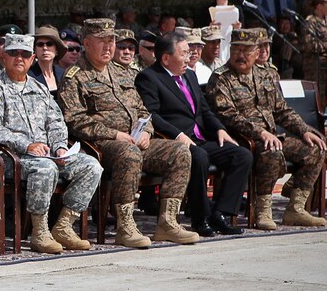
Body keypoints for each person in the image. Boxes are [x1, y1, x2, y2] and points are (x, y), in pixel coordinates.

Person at [58, 19, 199, 248]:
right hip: (102, 144)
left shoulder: (122, 72)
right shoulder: (75, 76)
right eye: (101, 42)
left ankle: (167, 223)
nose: (108, 47)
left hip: (136, 138)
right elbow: (73, 120)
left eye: (111, 41)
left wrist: (145, 131)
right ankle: (125, 225)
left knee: (180, 152)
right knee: (129, 153)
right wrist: (114, 134)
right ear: (85, 43)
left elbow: (143, 109)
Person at [0, 34, 102, 254]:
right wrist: (27, 145)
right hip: (6, 158)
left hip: (46, 153)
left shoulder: (40, 89)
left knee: (91, 166)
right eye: (13, 53)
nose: (19, 58)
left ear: (33, 58)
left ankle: (63, 225)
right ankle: (39, 231)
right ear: (3, 57)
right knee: (45, 168)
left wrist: (60, 146)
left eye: (24, 54)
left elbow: (56, 122)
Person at [205, 29, 327, 229]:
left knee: (316, 148)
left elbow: (282, 111)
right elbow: (227, 115)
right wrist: (260, 133)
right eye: (236, 50)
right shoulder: (221, 79)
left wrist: (304, 130)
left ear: (256, 52)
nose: (241, 56)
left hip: (273, 135)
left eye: (247, 50)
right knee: (271, 150)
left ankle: (295, 208)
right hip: (244, 138)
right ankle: (263, 210)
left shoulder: (265, 75)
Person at [135, 33, 250, 237]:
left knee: (242, 155)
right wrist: (177, 134)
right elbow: (151, 114)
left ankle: (221, 213)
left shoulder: (189, 75)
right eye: (184, 53)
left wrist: (219, 129)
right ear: (166, 58)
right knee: (199, 157)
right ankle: (200, 218)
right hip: (175, 141)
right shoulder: (149, 78)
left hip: (201, 138)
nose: (189, 57)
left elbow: (204, 110)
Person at [206, 0, 240, 64]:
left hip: (230, 46)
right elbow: (201, 33)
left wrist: (237, 28)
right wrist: (210, 28)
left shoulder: (237, 10)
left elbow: (241, 36)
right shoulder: (207, 10)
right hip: (215, 48)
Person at [301, 0, 327, 105]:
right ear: (320, 5)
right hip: (315, 69)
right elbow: (309, 45)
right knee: (317, 100)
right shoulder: (310, 22)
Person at [27, 25, 66, 94]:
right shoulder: (27, 76)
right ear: (34, 50)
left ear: (57, 50)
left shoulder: (64, 75)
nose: (45, 48)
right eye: (40, 44)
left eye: (49, 44)